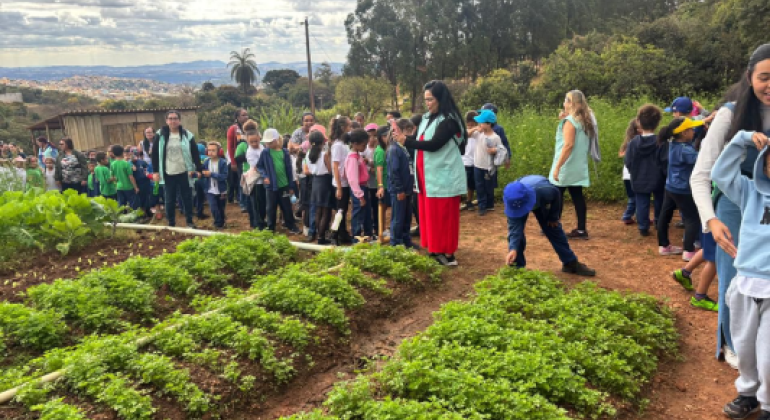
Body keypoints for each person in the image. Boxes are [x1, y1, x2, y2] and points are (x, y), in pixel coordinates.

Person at [691, 43, 770, 366]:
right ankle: (733, 345)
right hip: (735, 207)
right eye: (765, 77)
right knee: (735, 278)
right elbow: (700, 176)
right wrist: (711, 221)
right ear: (750, 77)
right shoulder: (729, 114)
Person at [712, 128, 770, 420]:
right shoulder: (750, 192)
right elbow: (720, 173)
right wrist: (742, 140)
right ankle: (747, 394)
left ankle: (769, 406)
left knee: (769, 354)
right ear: (764, 163)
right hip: (746, 284)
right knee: (744, 347)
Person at [403, 81, 467, 266]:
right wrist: (405, 139)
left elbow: (434, 144)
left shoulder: (449, 120)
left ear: (440, 99)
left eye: (430, 99)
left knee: (444, 216)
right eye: (426, 100)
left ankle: (448, 255)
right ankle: (435, 249)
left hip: (443, 176)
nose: (427, 103)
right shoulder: (426, 118)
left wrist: (406, 141)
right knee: (430, 215)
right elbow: (418, 139)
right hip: (427, 176)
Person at [503, 175, 596, 276]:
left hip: (539, 198)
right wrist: (513, 248)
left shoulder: (545, 191)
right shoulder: (512, 199)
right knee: (517, 234)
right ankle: (517, 268)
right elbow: (514, 230)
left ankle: (570, 263)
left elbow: (557, 195)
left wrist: (553, 217)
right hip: (520, 199)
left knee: (553, 228)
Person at [549, 90, 596, 240]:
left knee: (557, 195)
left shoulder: (570, 122)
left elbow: (568, 145)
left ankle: (553, 225)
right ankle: (581, 229)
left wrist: (557, 166)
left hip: (566, 164)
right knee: (577, 195)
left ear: (571, 103)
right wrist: (566, 117)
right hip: (578, 164)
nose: (563, 103)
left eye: (565, 100)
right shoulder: (585, 119)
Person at [655, 118, 704, 259]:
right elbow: (702, 160)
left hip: (670, 186)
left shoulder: (672, 143)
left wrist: (704, 121)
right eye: (691, 129)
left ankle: (664, 246)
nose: (694, 131)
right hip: (683, 189)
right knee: (692, 218)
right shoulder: (686, 151)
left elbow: (692, 134)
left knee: (665, 216)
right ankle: (688, 251)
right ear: (684, 133)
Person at [150, 110, 203, 229]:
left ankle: (189, 221)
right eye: (170, 118)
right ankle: (171, 223)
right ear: (166, 120)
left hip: (184, 171)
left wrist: (198, 169)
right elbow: (154, 154)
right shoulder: (160, 134)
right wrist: (155, 171)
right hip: (168, 172)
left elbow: (195, 153)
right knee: (169, 199)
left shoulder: (186, 135)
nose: (173, 121)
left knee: (187, 197)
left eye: (175, 118)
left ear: (179, 120)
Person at [625, 104, 665, 236]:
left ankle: (643, 227)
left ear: (639, 122)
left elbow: (628, 161)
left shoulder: (633, 142)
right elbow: (664, 161)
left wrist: (634, 172)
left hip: (639, 177)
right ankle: (659, 223)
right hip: (658, 177)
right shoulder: (661, 142)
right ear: (657, 122)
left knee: (642, 200)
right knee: (659, 199)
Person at [257, 128, 300, 234]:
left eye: (270, 142)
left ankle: (290, 225)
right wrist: (265, 176)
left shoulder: (284, 152)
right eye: (267, 142)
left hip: (284, 185)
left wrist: (290, 186)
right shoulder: (266, 152)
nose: (268, 144)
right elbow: (260, 166)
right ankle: (270, 228)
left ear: (277, 140)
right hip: (271, 186)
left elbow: (289, 170)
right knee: (271, 207)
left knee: (286, 206)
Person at [388, 119, 417, 248]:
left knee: (406, 217)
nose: (410, 134)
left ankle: (406, 240)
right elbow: (394, 172)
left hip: (408, 188)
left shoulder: (404, 148)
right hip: (399, 190)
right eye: (408, 131)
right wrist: (399, 189)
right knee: (398, 218)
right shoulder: (394, 149)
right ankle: (396, 243)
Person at [469, 109, 503, 216]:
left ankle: (490, 204)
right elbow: (467, 134)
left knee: (489, 186)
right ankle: (482, 206)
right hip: (477, 165)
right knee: (479, 186)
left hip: (489, 166)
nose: (479, 124)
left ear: (488, 124)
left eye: (481, 122)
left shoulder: (495, 137)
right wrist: (475, 128)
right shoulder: (478, 134)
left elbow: (501, 149)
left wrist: (495, 150)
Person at [237, 119, 267, 230]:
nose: (255, 144)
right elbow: (257, 166)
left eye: (256, 141)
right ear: (247, 141)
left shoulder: (262, 147)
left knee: (263, 203)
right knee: (256, 204)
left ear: (260, 138)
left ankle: (261, 222)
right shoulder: (249, 152)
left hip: (263, 179)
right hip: (256, 181)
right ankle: (258, 225)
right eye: (252, 142)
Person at [305, 131, 334, 245]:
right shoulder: (324, 155)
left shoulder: (308, 154)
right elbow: (330, 170)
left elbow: (310, 170)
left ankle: (318, 235)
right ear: (323, 141)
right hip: (325, 182)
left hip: (315, 181)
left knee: (318, 211)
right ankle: (322, 238)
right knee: (326, 211)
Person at [345, 129, 373, 242]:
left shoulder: (357, 155)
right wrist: (359, 195)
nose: (365, 147)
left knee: (365, 212)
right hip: (358, 189)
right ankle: (356, 238)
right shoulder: (352, 158)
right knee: (358, 213)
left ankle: (367, 235)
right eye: (363, 145)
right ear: (355, 144)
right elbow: (352, 179)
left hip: (363, 188)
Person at [330, 116, 353, 245]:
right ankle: (334, 234)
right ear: (343, 128)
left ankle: (343, 232)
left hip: (345, 182)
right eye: (349, 126)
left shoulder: (344, 144)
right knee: (340, 210)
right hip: (340, 183)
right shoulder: (338, 145)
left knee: (343, 209)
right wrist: (339, 187)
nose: (350, 129)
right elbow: (335, 166)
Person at [619, 118, 641, 225]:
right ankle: (627, 216)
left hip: (627, 174)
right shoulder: (636, 141)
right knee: (634, 198)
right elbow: (622, 154)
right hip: (631, 174)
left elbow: (621, 153)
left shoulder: (629, 141)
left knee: (636, 198)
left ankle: (638, 216)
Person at [202, 142, 229, 229]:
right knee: (213, 207)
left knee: (221, 208)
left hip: (221, 190)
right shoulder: (206, 162)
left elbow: (224, 176)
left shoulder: (223, 163)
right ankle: (218, 223)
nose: (211, 152)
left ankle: (221, 221)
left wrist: (211, 174)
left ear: (219, 151)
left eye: (213, 150)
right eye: (209, 150)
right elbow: (202, 173)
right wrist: (197, 174)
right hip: (210, 189)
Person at [227, 108, 249, 208]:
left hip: (249, 158)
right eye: (243, 115)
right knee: (241, 180)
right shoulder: (233, 129)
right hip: (239, 159)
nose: (246, 117)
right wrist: (233, 162)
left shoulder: (249, 128)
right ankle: (242, 202)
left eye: (247, 115)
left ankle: (248, 201)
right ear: (237, 117)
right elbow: (230, 146)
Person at [480, 103, 512, 167]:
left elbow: (504, 144)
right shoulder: (480, 128)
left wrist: (507, 158)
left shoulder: (498, 129)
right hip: (480, 161)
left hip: (492, 161)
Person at [374, 125, 391, 236]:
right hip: (384, 184)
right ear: (380, 138)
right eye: (385, 136)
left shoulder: (387, 148)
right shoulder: (380, 151)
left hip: (389, 182)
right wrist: (380, 186)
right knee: (383, 207)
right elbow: (379, 169)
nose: (388, 138)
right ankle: (382, 230)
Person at [364, 123, 380, 235]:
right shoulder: (364, 150)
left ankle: (377, 227)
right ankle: (368, 228)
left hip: (376, 183)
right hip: (367, 183)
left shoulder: (379, 149)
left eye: (374, 136)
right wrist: (370, 168)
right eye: (369, 136)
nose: (372, 139)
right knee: (367, 206)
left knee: (377, 206)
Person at [462, 111, 479, 211]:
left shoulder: (478, 132)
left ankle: (469, 201)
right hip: (464, 161)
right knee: (464, 182)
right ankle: (462, 200)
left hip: (475, 162)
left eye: (472, 124)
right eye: (468, 124)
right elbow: (467, 134)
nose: (470, 126)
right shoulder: (465, 131)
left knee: (472, 184)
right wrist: (474, 128)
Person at [132, 150, 152, 218]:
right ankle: (142, 213)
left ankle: (148, 210)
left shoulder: (142, 162)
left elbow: (147, 170)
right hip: (137, 183)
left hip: (145, 182)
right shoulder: (128, 164)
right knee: (140, 198)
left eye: (134, 155)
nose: (133, 157)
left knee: (147, 197)